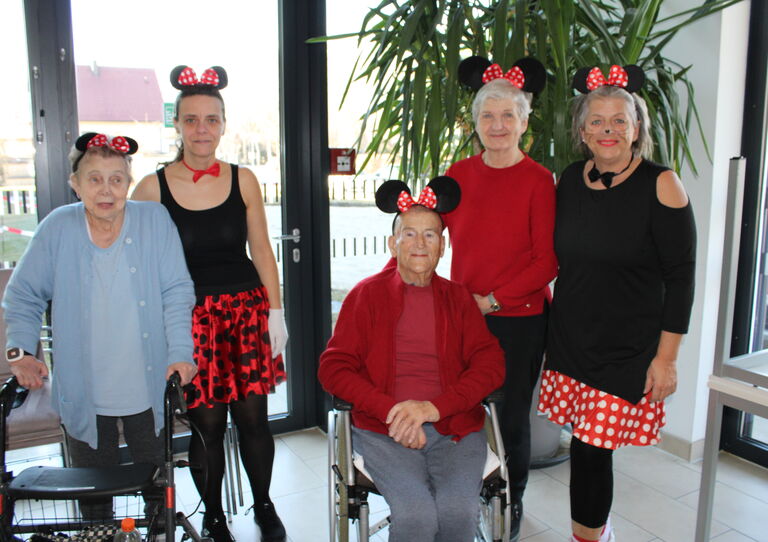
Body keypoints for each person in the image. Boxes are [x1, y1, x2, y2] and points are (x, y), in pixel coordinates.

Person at [2, 132, 197, 520]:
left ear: (128, 181)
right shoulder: (57, 228)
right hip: (84, 390)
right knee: (93, 493)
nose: (105, 189)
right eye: (94, 178)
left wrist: (180, 352)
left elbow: (177, 291)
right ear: (75, 184)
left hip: (149, 384)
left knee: (158, 486)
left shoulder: (154, 220)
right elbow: (23, 294)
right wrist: (20, 353)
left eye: (116, 178)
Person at [539, 65, 696, 542]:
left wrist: (666, 360)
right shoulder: (568, 179)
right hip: (571, 341)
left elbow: (681, 277)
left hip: (626, 348)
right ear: (582, 131)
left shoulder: (661, 184)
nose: (608, 130)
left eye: (619, 121)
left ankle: (589, 536)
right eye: (597, 121)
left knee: (590, 451)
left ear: (636, 128)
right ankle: (593, 532)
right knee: (585, 449)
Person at [132, 65, 288, 542]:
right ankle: (214, 515)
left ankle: (264, 505)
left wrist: (276, 313)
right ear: (176, 125)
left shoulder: (244, 180)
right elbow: (140, 265)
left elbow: (261, 249)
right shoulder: (151, 189)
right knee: (207, 427)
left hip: (245, 314)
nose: (203, 129)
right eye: (192, 119)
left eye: (212, 119)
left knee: (254, 421)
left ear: (223, 124)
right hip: (190, 321)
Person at [318, 177, 505, 542]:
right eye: (409, 234)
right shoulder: (366, 296)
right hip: (384, 430)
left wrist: (433, 408)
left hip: (454, 428)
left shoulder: (459, 299)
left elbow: (491, 364)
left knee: (458, 512)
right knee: (416, 515)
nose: (420, 243)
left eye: (430, 235)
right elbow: (333, 367)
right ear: (393, 243)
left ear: (443, 246)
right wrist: (394, 410)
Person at [447, 55, 557, 539]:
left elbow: (546, 263)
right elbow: (428, 236)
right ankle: (467, 490)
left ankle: (511, 497)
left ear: (524, 122)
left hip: (520, 319)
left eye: (507, 115)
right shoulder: (458, 174)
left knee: (511, 415)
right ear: (475, 124)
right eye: (488, 116)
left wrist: (491, 301)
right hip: (464, 317)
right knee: (464, 408)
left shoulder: (539, 179)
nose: (497, 125)